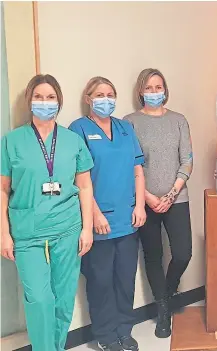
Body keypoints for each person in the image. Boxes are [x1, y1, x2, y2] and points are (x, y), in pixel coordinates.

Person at [0, 74, 94, 351]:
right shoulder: (11, 141)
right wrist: (4, 234)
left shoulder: (72, 140)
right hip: (28, 234)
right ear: (29, 101)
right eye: (38, 97)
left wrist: (87, 228)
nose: (44, 102)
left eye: (50, 97)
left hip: (67, 230)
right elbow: (3, 190)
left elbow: (85, 186)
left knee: (64, 300)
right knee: (40, 300)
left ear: (59, 102)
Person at [69, 77, 146, 351]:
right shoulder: (78, 129)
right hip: (98, 221)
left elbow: (138, 169)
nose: (106, 99)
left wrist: (139, 206)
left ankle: (125, 330)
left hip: (128, 218)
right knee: (100, 281)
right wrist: (94, 215)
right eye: (99, 94)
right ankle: (105, 334)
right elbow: (81, 177)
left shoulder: (126, 128)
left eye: (110, 93)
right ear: (88, 99)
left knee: (125, 279)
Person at [123, 68, 193, 339]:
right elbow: (128, 163)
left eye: (159, 87)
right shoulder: (129, 122)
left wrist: (171, 194)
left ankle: (168, 289)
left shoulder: (178, 120)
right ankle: (163, 311)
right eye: (149, 88)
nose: (155, 92)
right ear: (141, 91)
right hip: (145, 200)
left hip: (176, 198)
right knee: (153, 256)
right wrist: (149, 198)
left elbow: (187, 158)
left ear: (166, 89)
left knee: (183, 253)